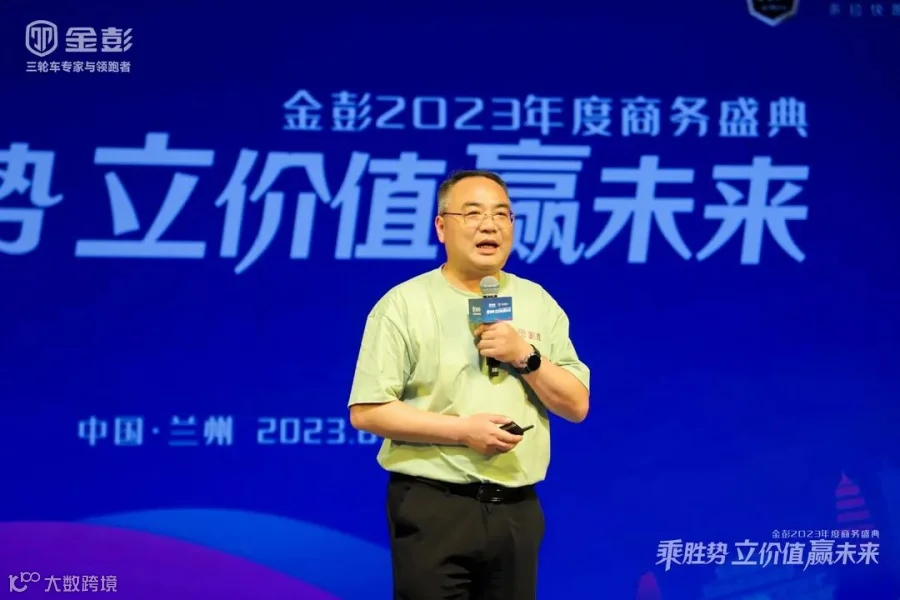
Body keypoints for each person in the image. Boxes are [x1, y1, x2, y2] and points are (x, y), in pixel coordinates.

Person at [347, 169, 590, 600]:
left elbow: (576, 405)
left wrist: (525, 355)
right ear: (442, 227)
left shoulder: (538, 302)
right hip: (433, 505)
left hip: (516, 507)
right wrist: (462, 431)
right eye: (473, 214)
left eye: (501, 215)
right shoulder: (404, 304)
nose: (489, 226)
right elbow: (368, 410)